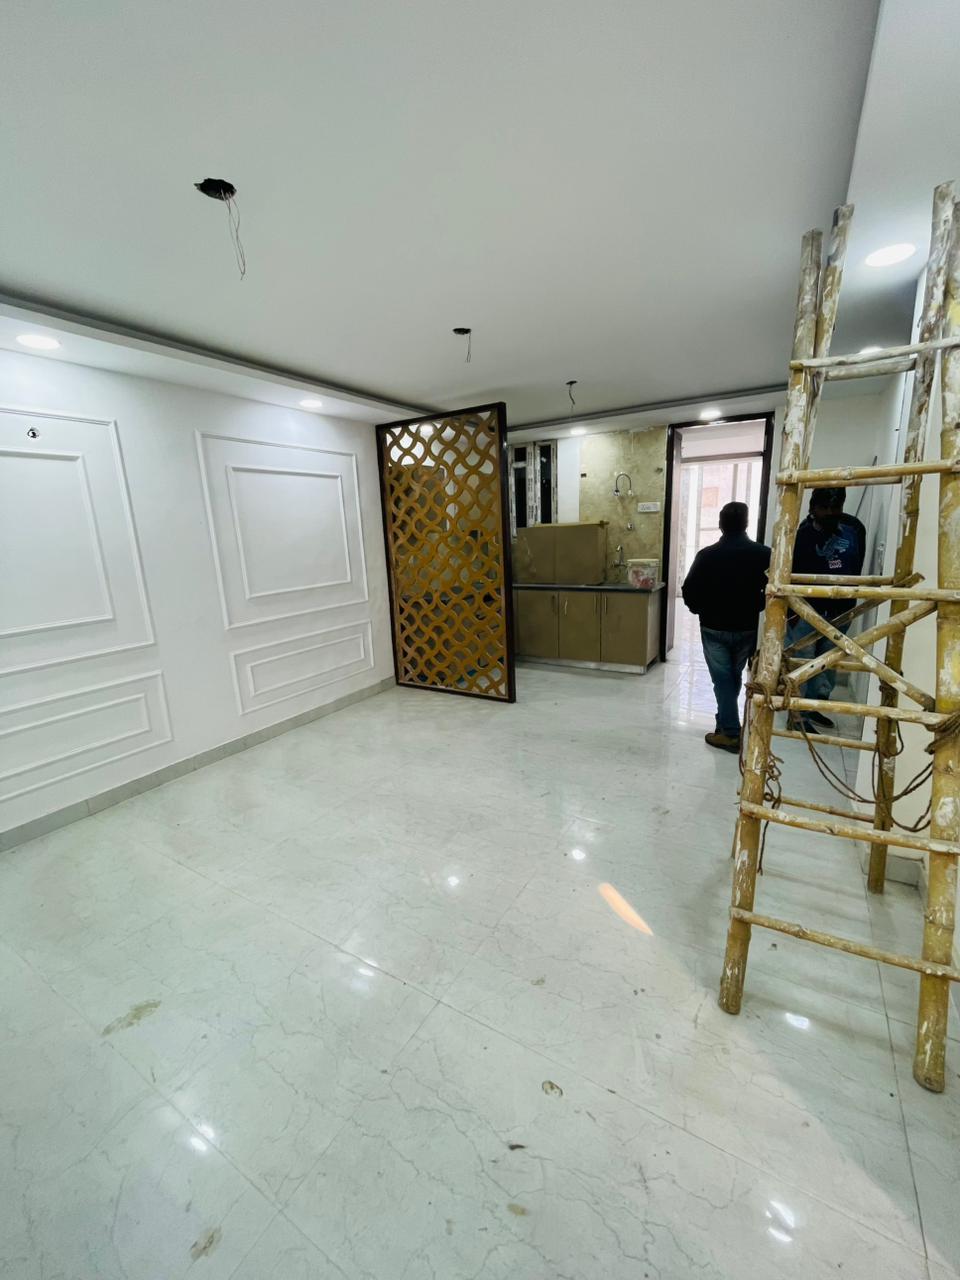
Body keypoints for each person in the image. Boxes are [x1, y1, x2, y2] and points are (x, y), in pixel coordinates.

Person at [682, 501, 771, 753]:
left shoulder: (707, 555)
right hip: (746, 627)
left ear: (720, 524)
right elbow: (774, 590)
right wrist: (758, 605)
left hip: (714, 627)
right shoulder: (764, 554)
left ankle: (731, 733)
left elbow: (689, 590)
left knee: (723, 679)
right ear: (746, 523)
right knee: (733, 676)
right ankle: (725, 722)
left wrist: (699, 609)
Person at [788, 486, 866, 730]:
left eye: (836, 507)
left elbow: (856, 568)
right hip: (806, 610)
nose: (831, 512)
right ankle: (797, 713)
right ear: (813, 508)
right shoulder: (801, 535)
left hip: (840, 609)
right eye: (825, 508)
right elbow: (790, 574)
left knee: (828, 662)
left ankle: (813, 706)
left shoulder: (853, 530)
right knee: (803, 661)